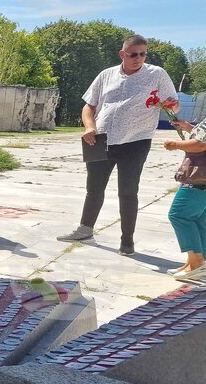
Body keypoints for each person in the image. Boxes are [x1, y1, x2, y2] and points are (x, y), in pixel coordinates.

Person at [57, 35, 179, 255]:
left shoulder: (157, 74)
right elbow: (89, 106)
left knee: (128, 191)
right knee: (93, 188)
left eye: (143, 54)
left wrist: (172, 106)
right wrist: (88, 126)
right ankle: (85, 229)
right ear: (123, 54)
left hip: (136, 141)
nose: (139, 58)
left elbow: (173, 104)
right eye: (134, 54)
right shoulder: (106, 75)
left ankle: (127, 241)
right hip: (100, 139)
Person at [164, 118, 206, 279]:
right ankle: (196, 262)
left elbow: (201, 145)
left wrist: (175, 144)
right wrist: (190, 128)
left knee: (179, 215)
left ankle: (197, 263)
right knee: (198, 218)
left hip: (200, 177)